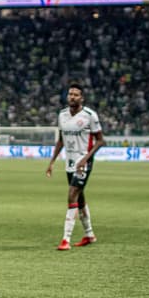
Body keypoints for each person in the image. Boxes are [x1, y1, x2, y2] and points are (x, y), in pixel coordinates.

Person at [45, 83, 106, 250]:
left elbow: (101, 140)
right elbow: (61, 140)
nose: (72, 97)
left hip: (83, 163)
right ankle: (89, 234)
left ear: (82, 98)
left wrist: (85, 159)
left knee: (72, 195)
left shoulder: (89, 116)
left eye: (76, 95)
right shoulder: (62, 115)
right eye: (70, 94)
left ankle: (66, 239)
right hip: (70, 163)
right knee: (80, 198)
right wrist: (52, 162)